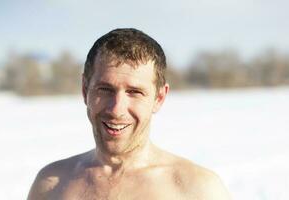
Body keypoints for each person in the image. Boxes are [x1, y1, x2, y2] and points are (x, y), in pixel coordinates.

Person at [28, 28, 230, 200]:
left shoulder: (198, 190)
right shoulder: (52, 185)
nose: (116, 109)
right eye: (105, 90)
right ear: (84, 90)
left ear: (159, 98)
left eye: (135, 92)